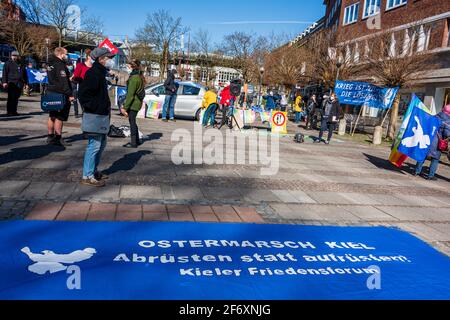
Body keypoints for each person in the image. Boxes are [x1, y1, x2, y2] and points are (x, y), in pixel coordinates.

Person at [78, 47, 116, 187]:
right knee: (94, 145)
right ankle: (87, 175)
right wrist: (95, 107)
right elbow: (83, 95)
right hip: (95, 115)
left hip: (101, 115)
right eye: (108, 58)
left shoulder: (100, 73)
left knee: (101, 144)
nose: (111, 61)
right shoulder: (93, 73)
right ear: (101, 59)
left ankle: (93, 171)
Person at [46, 47, 75, 146]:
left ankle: (50, 137)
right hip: (60, 93)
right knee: (59, 116)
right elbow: (63, 82)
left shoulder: (50, 63)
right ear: (61, 54)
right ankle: (58, 138)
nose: (67, 56)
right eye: (66, 54)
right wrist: (70, 94)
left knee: (52, 115)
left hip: (51, 91)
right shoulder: (60, 64)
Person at [414, 105, 450, 181]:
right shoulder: (448, 121)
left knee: (423, 155)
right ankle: (430, 175)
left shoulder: (434, 116)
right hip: (437, 143)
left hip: (427, 139)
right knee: (435, 159)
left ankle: (416, 171)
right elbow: (447, 134)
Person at [121, 59, 146, 148]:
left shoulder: (134, 78)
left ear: (132, 67)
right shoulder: (138, 76)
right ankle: (137, 140)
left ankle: (133, 143)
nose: (127, 68)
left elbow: (130, 95)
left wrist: (125, 107)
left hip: (134, 103)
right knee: (133, 121)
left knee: (132, 122)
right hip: (137, 102)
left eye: (128, 66)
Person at [1, 51, 28, 117]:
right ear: (11, 56)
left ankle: (14, 111)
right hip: (11, 82)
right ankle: (9, 111)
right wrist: (4, 82)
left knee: (16, 98)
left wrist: (26, 83)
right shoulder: (7, 63)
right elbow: (5, 73)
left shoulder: (21, 64)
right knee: (11, 97)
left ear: (18, 56)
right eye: (13, 56)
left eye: (15, 56)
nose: (14, 57)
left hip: (19, 83)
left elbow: (25, 74)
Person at [71, 49, 93, 118]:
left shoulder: (94, 67)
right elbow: (75, 76)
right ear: (89, 57)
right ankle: (77, 113)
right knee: (86, 110)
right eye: (93, 57)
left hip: (92, 91)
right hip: (82, 90)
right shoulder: (80, 65)